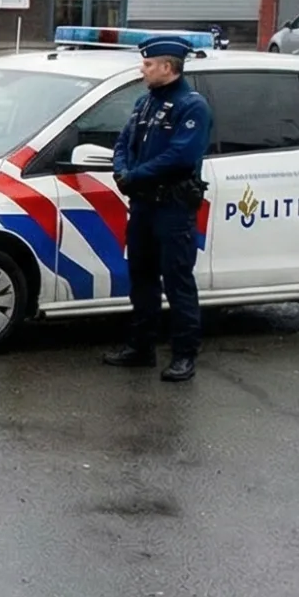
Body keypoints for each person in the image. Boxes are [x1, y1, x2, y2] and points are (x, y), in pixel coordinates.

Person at [103, 35, 213, 382]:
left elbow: (180, 155)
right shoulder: (144, 103)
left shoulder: (192, 106)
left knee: (178, 281)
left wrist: (135, 176)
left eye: (148, 64)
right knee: (142, 277)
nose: (143, 69)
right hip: (144, 205)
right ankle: (141, 347)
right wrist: (121, 171)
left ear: (167, 67)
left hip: (173, 207)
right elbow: (123, 142)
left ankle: (184, 354)